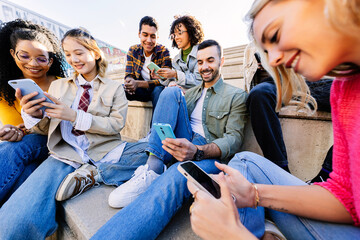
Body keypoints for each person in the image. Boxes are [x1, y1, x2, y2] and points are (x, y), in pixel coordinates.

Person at [186, 0, 360, 239]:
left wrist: (233, 234)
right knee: (244, 163)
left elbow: (233, 137)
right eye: (266, 51)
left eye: (276, 34)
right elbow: (346, 197)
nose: (275, 59)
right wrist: (254, 194)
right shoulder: (345, 90)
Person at [90, 39, 248, 240]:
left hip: (206, 154)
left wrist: (197, 151)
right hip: (182, 140)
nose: (205, 67)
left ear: (221, 61)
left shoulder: (236, 95)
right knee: (170, 90)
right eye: (200, 62)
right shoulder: (190, 93)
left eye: (210, 60)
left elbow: (234, 139)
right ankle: (153, 167)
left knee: (175, 175)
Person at [0, 28, 131, 239]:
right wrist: (32, 116)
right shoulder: (58, 86)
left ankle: (94, 173)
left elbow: (116, 125)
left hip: (99, 152)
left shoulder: (114, 88)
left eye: (78, 53)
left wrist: (74, 115)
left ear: (96, 53)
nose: (73, 59)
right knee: (12, 221)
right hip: (64, 153)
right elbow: (44, 131)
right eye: (67, 54)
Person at [0, 19, 66, 205]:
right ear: (13, 54)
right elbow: (15, 128)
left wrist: (32, 123)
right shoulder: (6, 91)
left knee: (17, 148)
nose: (33, 63)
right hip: (28, 147)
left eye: (41, 58)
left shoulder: (63, 84)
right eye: (24, 56)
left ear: (51, 60)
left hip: (57, 142)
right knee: (26, 173)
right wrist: (11, 131)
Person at [244, 42, 333, 178]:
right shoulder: (256, 41)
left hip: (307, 81)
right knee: (259, 95)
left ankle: (326, 174)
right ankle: (280, 170)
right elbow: (251, 79)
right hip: (276, 82)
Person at [124, 16, 172, 112]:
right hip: (140, 91)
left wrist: (137, 83)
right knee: (119, 89)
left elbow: (164, 81)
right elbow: (129, 75)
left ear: (157, 37)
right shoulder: (133, 50)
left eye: (153, 36)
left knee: (158, 90)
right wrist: (130, 82)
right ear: (139, 34)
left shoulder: (164, 51)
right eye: (145, 35)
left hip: (156, 91)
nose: (149, 40)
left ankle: (155, 126)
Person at [156, 14, 204, 90]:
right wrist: (163, 77)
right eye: (174, 35)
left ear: (191, 32)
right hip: (184, 95)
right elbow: (174, 81)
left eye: (180, 33)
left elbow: (198, 81)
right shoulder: (176, 60)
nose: (176, 37)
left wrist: (175, 74)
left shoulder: (202, 52)